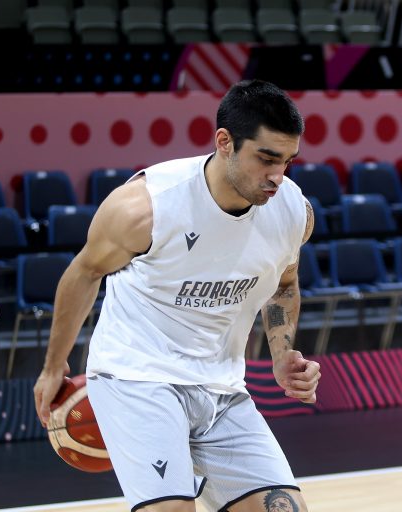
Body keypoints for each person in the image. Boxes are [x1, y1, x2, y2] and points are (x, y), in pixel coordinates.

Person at [34, 79, 320, 512]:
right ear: (224, 142)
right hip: (138, 376)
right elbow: (85, 272)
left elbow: (284, 283)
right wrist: (53, 367)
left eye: (287, 161)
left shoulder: (293, 211)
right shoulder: (146, 206)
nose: (277, 176)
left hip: (222, 387)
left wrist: (282, 355)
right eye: (266, 159)